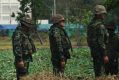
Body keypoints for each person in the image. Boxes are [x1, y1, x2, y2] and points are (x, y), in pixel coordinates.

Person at [87, 5, 109, 77]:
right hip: (100, 52)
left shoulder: (91, 24)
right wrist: (105, 54)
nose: (104, 15)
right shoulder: (100, 26)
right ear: (99, 15)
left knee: (97, 71)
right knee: (101, 73)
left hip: (94, 51)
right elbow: (101, 41)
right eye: (103, 14)